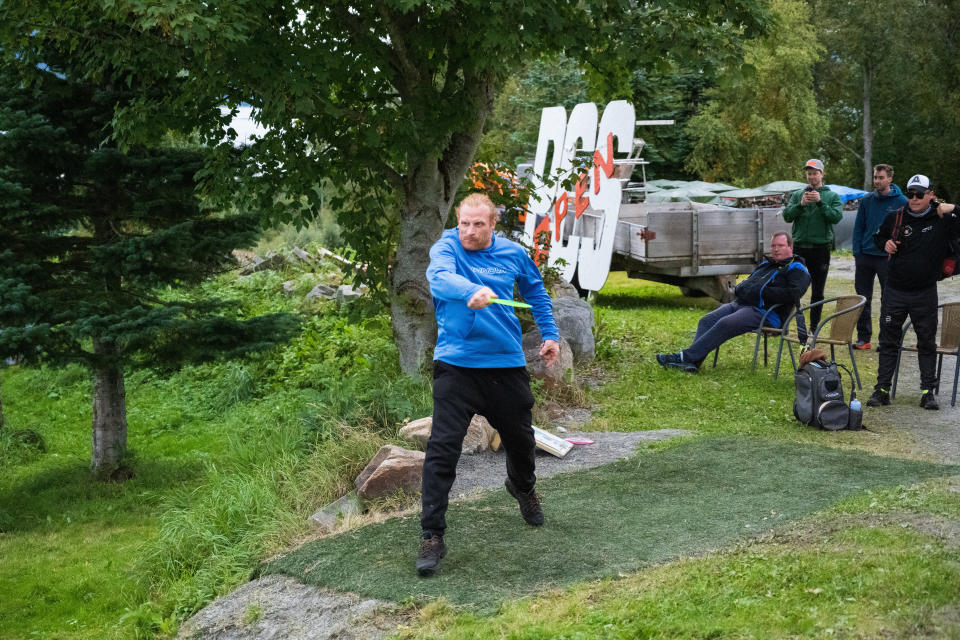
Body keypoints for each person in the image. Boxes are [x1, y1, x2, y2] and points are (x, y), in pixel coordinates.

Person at [417, 192, 560, 576]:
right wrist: (470, 291)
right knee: (442, 449)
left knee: (521, 441)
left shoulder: (512, 254)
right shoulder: (447, 246)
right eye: (464, 222)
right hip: (456, 365)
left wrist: (550, 335)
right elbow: (439, 278)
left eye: (478, 224)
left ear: (493, 224)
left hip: (505, 364)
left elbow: (536, 293)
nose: (469, 231)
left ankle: (522, 487)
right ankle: (432, 534)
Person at [867, 175, 960, 411]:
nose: (915, 199)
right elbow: (878, 238)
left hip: (925, 292)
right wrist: (885, 244)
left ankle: (928, 392)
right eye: (911, 194)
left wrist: (949, 207)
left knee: (926, 343)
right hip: (895, 291)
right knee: (888, 342)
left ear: (931, 195)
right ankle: (882, 390)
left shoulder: (943, 219)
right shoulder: (895, 217)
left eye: (920, 194)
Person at [656, 232, 811, 372]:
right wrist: (741, 289)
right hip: (741, 304)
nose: (776, 249)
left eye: (780, 245)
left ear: (790, 247)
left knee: (725, 324)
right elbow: (749, 284)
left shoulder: (797, 268)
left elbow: (794, 294)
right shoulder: (766, 265)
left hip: (766, 313)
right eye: (773, 246)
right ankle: (692, 363)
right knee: (706, 321)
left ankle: (683, 358)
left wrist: (763, 292)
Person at [851, 164, 908, 350]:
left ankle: (887, 339)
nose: (877, 181)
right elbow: (859, 227)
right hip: (865, 256)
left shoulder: (902, 202)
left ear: (890, 178)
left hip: (888, 258)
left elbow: (907, 231)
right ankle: (863, 338)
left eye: (881, 177)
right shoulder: (867, 200)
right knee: (862, 298)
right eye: (875, 177)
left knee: (889, 300)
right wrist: (857, 252)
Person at [783, 159, 843, 330]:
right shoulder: (797, 195)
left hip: (820, 249)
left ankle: (813, 328)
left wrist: (820, 202)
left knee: (817, 290)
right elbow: (787, 216)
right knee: (792, 287)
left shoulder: (831, 196)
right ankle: (785, 323)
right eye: (809, 173)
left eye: (815, 173)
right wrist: (801, 205)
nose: (811, 177)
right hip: (800, 247)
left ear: (822, 174)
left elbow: (836, 217)